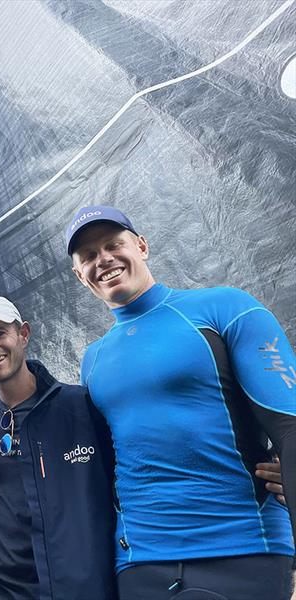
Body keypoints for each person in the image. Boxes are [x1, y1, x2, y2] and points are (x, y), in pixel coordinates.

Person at [67, 205, 296, 600]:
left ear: (141, 246)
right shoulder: (93, 359)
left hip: (244, 549)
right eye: (88, 256)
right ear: (79, 275)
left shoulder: (225, 308)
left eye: (112, 244)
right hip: (140, 565)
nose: (102, 259)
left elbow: (289, 427)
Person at [0, 295, 116, 599]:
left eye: (0, 333)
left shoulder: (80, 405)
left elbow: (121, 485)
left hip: (80, 589)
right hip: (2, 592)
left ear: (24, 334)